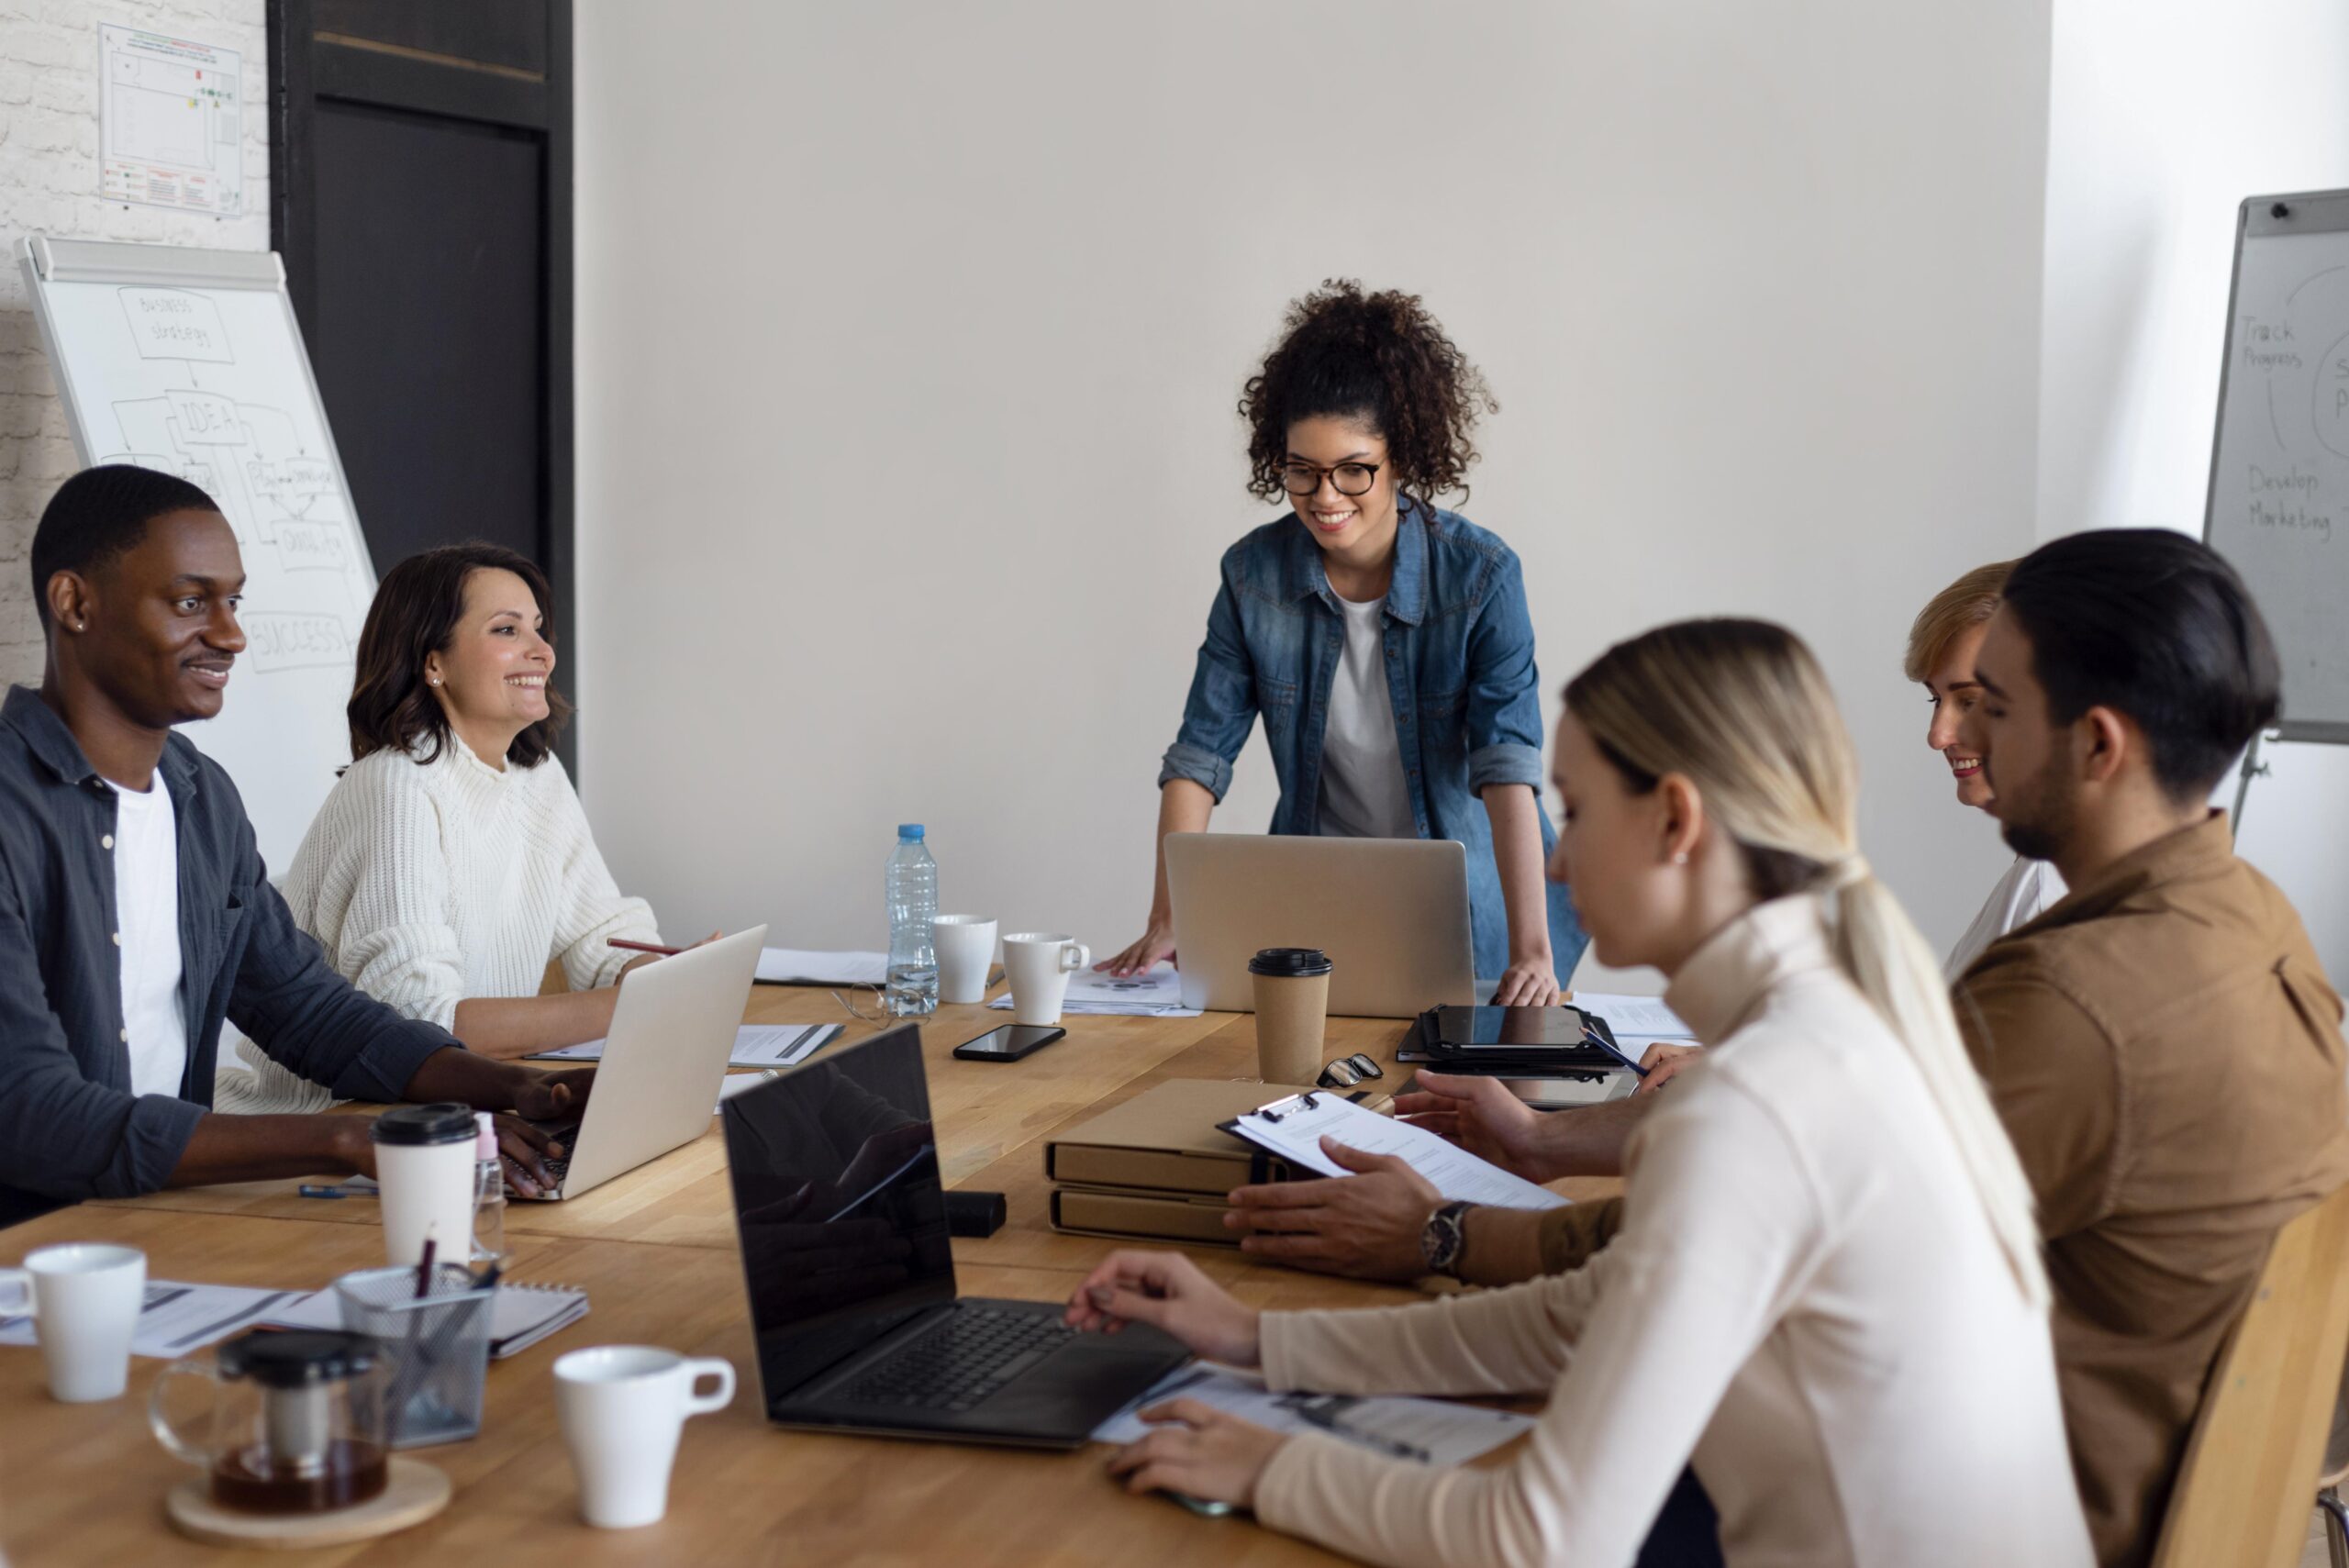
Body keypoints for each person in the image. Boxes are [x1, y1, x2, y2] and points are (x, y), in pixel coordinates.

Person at [1068, 619, 2092, 1568]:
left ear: (1675, 818)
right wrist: (1255, 1338)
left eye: (1578, 811)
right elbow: (1581, 1316)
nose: (1555, 860)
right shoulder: (1832, 1032)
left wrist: (1269, 1468)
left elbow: (1545, 1539)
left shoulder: (1753, 1108)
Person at [0, 467, 585, 1227]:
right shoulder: (13, 808)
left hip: (161, 1222)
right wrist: (348, 1139)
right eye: (190, 602)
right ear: (75, 604)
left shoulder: (200, 798)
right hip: (33, 1244)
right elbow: (33, 1111)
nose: (231, 635)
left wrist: (515, 1088)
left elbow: (309, 1010)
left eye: (233, 602)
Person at [1953, 528, 2349, 1568]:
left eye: (1996, 708)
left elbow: (1789, 1245)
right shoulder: (2264, 921)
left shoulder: (2067, 1000)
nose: (1969, 738)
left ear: (2097, 744)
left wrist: (1513, 1241)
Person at [1101, 281, 1584, 1001]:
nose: (1325, 496)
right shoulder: (1252, 576)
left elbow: (1507, 767)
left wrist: (1533, 952)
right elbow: (1199, 758)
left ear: (1402, 458)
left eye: (1354, 470)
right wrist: (1169, 917)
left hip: (1480, 911)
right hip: (1325, 905)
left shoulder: (1481, 577)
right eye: (1302, 470)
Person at [219, 543, 690, 1113]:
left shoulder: (536, 776)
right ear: (433, 663)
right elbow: (418, 1026)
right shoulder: (397, 785)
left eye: (538, 628)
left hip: (474, 1103)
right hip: (337, 1120)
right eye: (507, 630)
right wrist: (632, 1006)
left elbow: (606, 933)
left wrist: (657, 977)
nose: (542, 651)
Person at [1909, 559, 2066, 977]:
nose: (1938, 735)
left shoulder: (2049, 886)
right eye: (1935, 700)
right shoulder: (2043, 870)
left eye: (1970, 701)